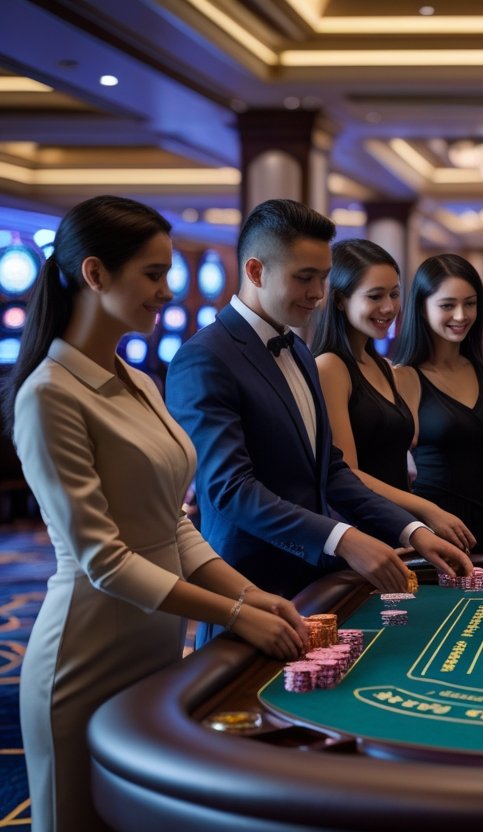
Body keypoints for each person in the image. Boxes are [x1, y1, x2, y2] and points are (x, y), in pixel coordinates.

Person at [6, 196, 308, 832]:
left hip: (156, 643)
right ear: (94, 274)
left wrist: (254, 596)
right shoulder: (47, 395)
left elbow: (172, 523)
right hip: (82, 653)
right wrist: (233, 615)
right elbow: (104, 560)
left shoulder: (140, 381)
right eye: (153, 274)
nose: (167, 292)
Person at [166, 199, 472, 640]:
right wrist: (343, 538)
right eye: (304, 277)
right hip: (250, 591)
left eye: (323, 278)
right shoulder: (205, 357)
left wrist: (412, 529)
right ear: (256, 272)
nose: (318, 293)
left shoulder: (301, 353)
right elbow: (231, 490)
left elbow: (329, 469)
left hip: (317, 584)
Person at [312, 240, 479, 551]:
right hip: (359, 536)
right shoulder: (330, 367)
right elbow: (345, 472)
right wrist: (426, 510)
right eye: (375, 296)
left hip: (397, 530)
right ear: (339, 300)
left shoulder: (386, 367)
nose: (389, 307)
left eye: (394, 293)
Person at [392, 253, 483, 554]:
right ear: (422, 307)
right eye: (447, 305)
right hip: (433, 530)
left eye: (470, 303)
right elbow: (387, 472)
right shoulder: (403, 377)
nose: (461, 315)